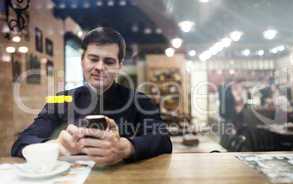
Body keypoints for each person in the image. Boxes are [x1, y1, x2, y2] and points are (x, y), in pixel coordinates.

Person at [11, 27, 172, 165]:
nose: (100, 67)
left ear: (119, 66)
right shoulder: (60, 100)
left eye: (109, 62)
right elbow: (22, 142)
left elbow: (162, 139)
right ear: (82, 61)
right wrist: (55, 146)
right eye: (93, 59)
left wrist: (125, 147)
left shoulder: (140, 101)